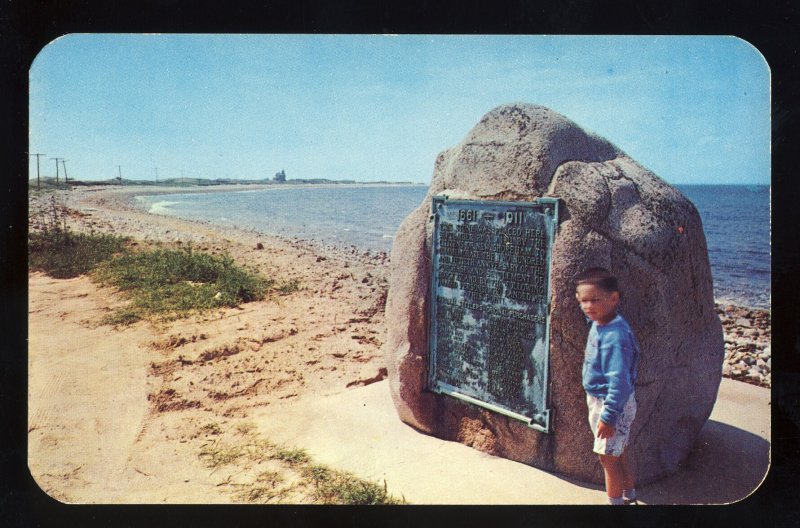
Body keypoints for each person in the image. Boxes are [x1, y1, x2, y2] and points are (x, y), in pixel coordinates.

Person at [575, 267, 641, 505]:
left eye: (595, 300)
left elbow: (620, 382)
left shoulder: (615, 336)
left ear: (614, 299)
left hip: (610, 405)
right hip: (608, 402)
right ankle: (630, 494)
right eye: (583, 301)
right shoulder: (602, 320)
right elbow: (591, 312)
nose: (588, 306)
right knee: (619, 451)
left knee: (607, 459)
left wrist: (609, 416)